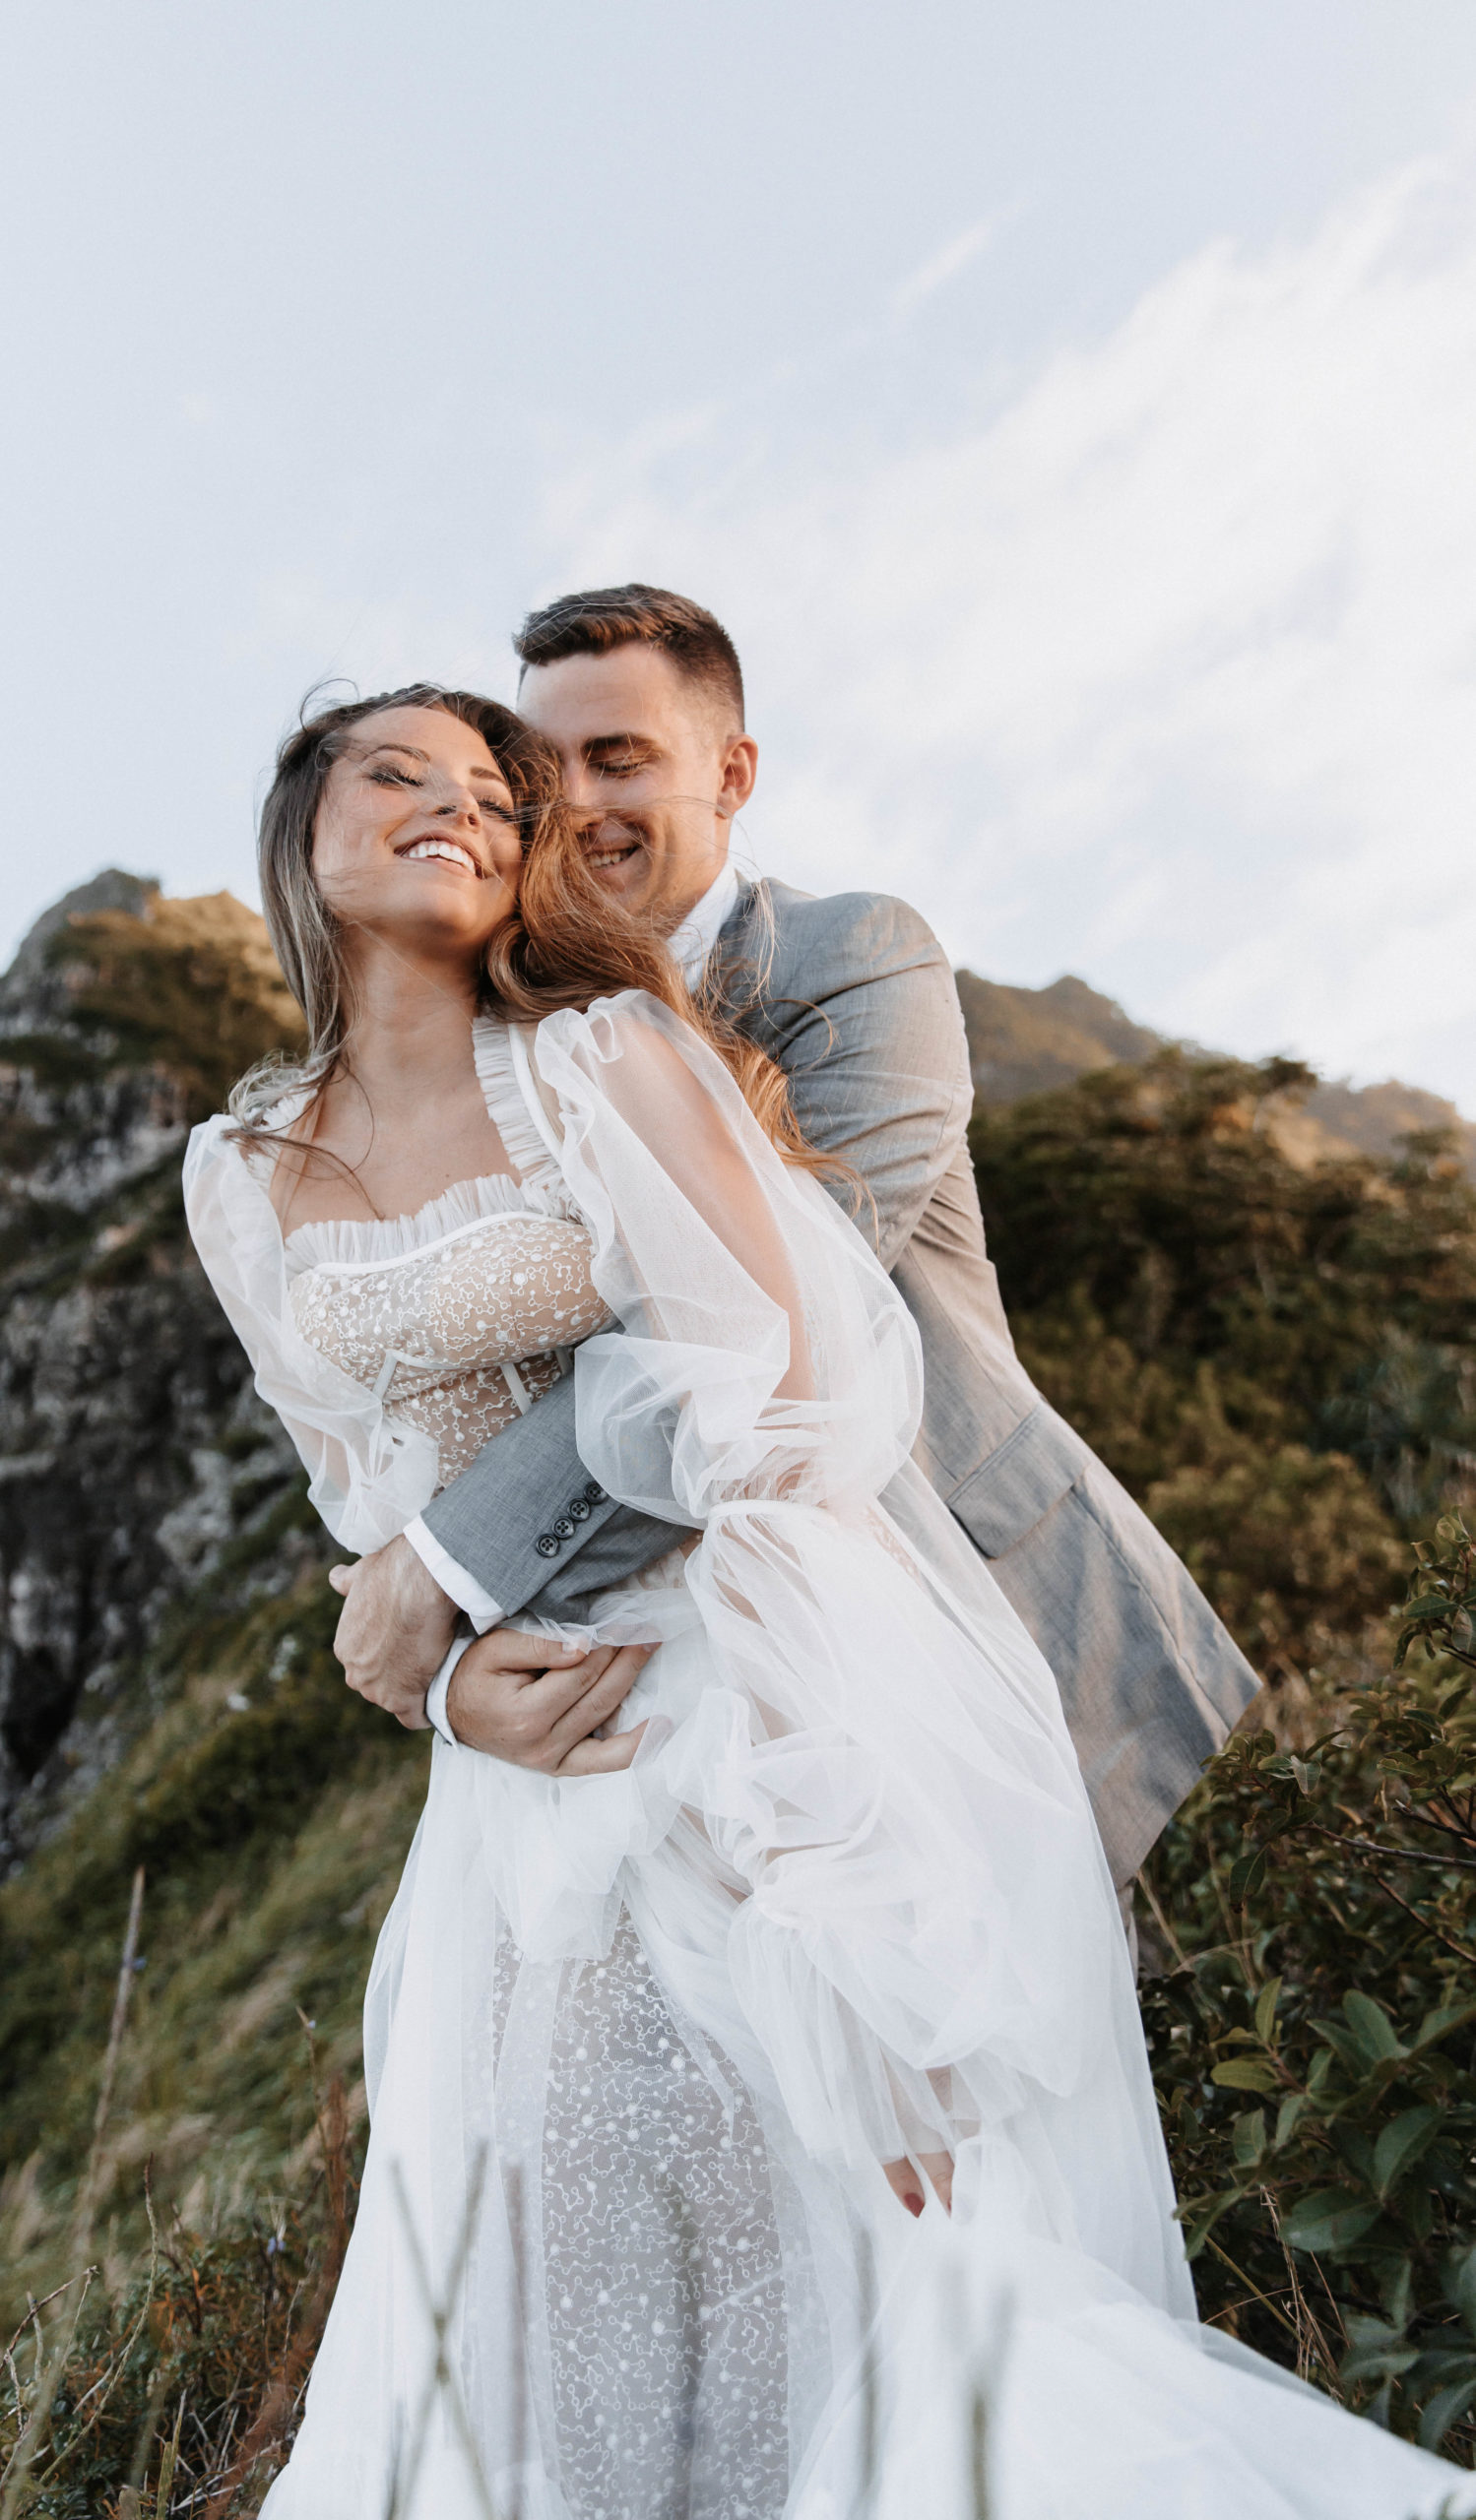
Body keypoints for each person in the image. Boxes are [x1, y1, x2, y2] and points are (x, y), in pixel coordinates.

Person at [184, 677, 1474, 2518]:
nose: (457, 806)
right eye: (398, 775)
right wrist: (448, 1689)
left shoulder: (602, 1058)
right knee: (558, 2331)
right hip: (518, 1804)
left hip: (743, 1716)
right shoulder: (239, 1175)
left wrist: (855, 1918)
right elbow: (363, 1503)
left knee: (859, 2275)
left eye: (490, 791)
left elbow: (774, 1408)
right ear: (303, 836)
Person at [329, 587, 1257, 1899]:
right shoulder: (508, 1039)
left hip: (995, 1631)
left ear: (731, 774)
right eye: (542, 774)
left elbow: (751, 1338)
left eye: (620, 760)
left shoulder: (852, 963)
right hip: (708, 1716)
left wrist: (448, 1575)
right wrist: (460, 1675)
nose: (575, 807)